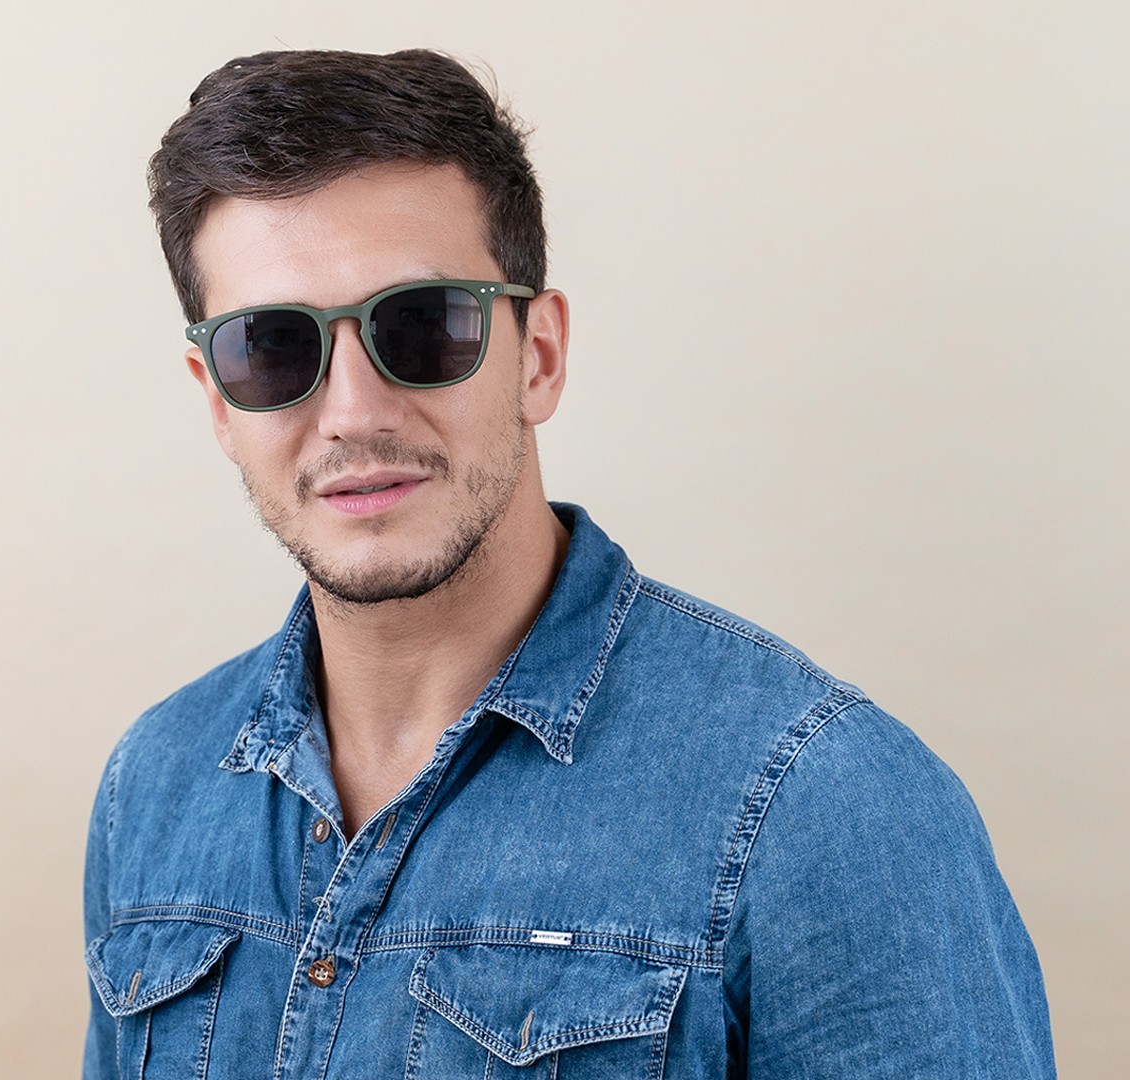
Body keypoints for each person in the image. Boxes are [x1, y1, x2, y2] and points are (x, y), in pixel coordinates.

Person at [83, 49, 1054, 1079]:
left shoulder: (826, 806)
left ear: (538, 356)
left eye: (424, 326)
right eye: (273, 347)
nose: (355, 414)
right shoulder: (155, 784)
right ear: (216, 400)